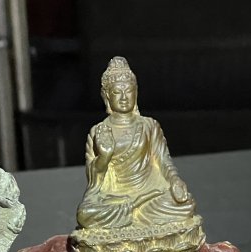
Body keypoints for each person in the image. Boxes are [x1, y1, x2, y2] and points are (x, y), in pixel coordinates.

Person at [75, 57, 195, 230]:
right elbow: (94, 181)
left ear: (136, 93)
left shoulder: (149, 125)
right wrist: (105, 156)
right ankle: (134, 212)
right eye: (117, 92)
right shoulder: (98, 131)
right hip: (115, 197)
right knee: (85, 214)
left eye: (129, 91)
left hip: (150, 194)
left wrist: (175, 180)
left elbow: (163, 161)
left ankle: (134, 214)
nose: (124, 97)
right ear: (107, 96)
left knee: (185, 204)